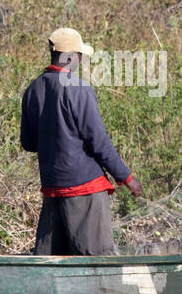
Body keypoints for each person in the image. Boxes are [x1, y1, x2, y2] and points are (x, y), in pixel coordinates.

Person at [20, 26, 144, 255]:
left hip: (52, 186)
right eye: (80, 55)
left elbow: (28, 143)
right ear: (70, 56)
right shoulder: (78, 89)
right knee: (96, 259)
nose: (81, 60)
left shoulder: (33, 89)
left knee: (53, 260)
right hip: (84, 188)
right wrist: (126, 177)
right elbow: (98, 141)